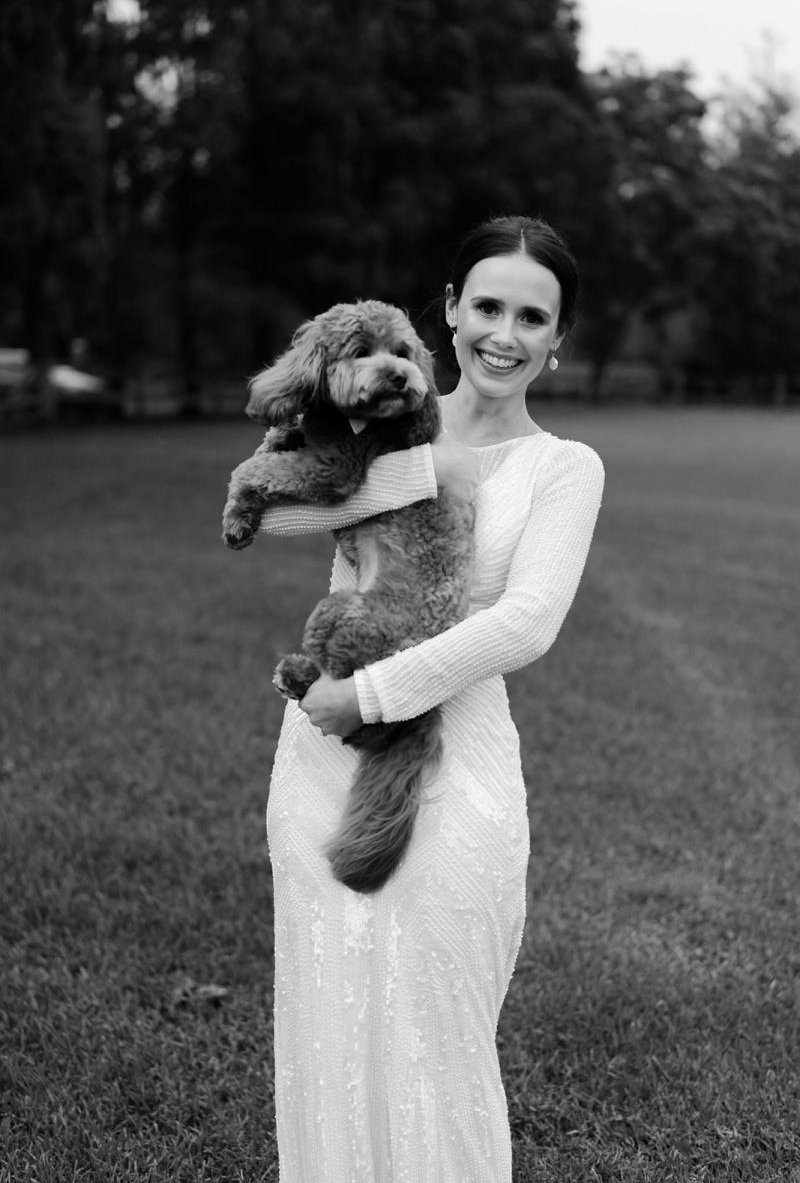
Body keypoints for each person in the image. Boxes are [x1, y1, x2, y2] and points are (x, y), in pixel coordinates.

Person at [258, 215, 604, 1182]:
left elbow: (527, 623)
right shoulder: (378, 415)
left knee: (437, 1034)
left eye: (532, 316)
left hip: (452, 770)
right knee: (327, 1020)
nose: (505, 333)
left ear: (558, 337)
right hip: (322, 761)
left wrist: (368, 694)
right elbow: (271, 507)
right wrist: (402, 463)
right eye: (486, 305)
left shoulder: (565, 468)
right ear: (447, 310)